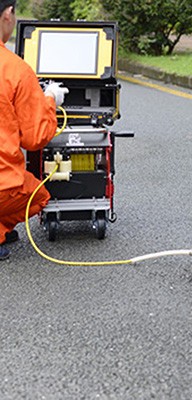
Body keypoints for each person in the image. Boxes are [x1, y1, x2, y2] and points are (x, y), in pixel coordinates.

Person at [0, 0, 68, 260]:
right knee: (38, 195)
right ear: (8, 14)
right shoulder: (15, 69)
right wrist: (49, 99)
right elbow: (35, 138)